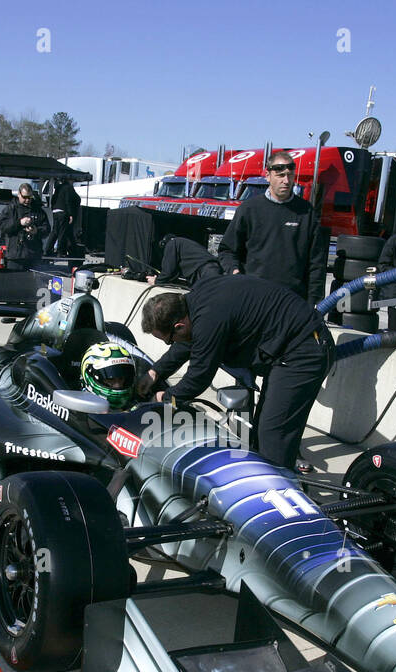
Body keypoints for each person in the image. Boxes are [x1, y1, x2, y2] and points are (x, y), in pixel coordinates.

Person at [140, 275, 334, 470]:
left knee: (273, 435)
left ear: (179, 326)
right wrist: (155, 372)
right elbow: (188, 343)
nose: (172, 344)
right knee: (262, 434)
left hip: (304, 351)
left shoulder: (208, 318)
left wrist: (166, 397)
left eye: (169, 340)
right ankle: (267, 479)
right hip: (287, 348)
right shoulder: (192, 304)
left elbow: (199, 376)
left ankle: (275, 490)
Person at [217, 150, 327, 305]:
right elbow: (227, 250)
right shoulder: (249, 209)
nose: (286, 181)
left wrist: (314, 304)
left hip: (291, 302)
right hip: (252, 299)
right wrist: (235, 272)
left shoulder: (306, 212)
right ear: (267, 176)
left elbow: (317, 264)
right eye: (280, 176)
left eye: (290, 175)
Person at [0, 183, 48, 272]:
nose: (27, 200)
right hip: (16, 256)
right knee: (14, 282)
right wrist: (19, 223)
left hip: (34, 255)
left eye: (29, 197)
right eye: (24, 197)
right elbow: (2, 226)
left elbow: (47, 229)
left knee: (35, 284)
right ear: (19, 195)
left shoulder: (38, 211)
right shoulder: (11, 209)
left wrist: (36, 231)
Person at [79, 342, 138, 410]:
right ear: (91, 375)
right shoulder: (78, 408)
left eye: (121, 378)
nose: (118, 385)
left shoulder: (135, 407)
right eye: (110, 379)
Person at [148, 235, 223, 287]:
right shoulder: (184, 244)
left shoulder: (172, 243)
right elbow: (174, 273)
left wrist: (157, 281)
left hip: (206, 272)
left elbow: (168, 270)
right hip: (212, 269)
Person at [48, 178, 80, 257]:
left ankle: (47, 249)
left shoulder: (58, 187)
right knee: (62, 232)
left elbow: (53, 199)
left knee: (55, 232)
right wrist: (70, 214)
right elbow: (67, 200)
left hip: (55, 211)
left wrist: (53, 208)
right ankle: (60, 251)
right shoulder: (68, 188)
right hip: (63, 211)